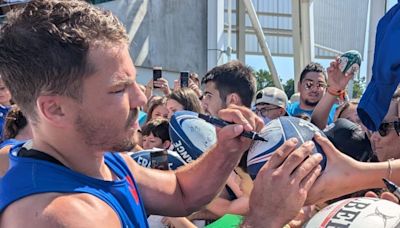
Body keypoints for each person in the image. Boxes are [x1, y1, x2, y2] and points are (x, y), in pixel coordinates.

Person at [0, 1, 323, 227]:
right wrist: (262, 220)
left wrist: (226, 149)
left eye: (135, 82)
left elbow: (181, 193)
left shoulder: (97, 157)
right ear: (54, 108)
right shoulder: (59, 217)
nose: (141, 97)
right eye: (118, 89)